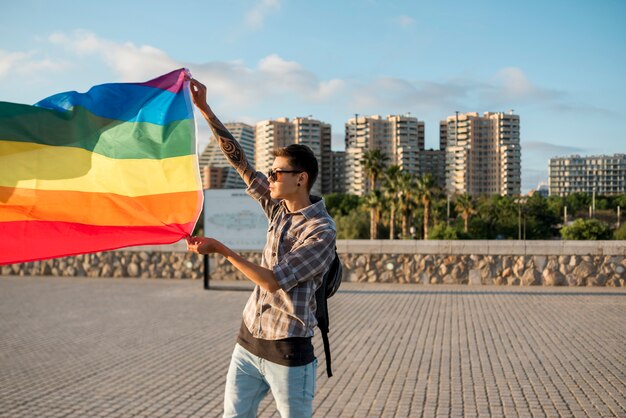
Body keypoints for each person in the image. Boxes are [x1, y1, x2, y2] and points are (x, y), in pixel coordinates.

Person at [187, 79, 337, 417]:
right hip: (248, 342)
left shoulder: (321, 230)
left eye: (277, 172)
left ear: (301, 179)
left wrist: (223, 251)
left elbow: (272, 281)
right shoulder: (277, 209)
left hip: (287, 353)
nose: (269, 177)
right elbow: (240, 163)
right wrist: (206, 110)